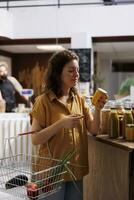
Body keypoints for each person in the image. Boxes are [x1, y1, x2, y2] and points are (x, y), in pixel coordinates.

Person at [30, 49, 107, 200]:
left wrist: (98, 109)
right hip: (51, 173)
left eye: (77, 70)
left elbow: (94, 129)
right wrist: (61, 124)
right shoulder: (43, 101)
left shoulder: (79, 98)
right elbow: (35, 139)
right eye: (71, 70)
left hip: (75, 169)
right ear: (58, 73)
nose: (76, 74)